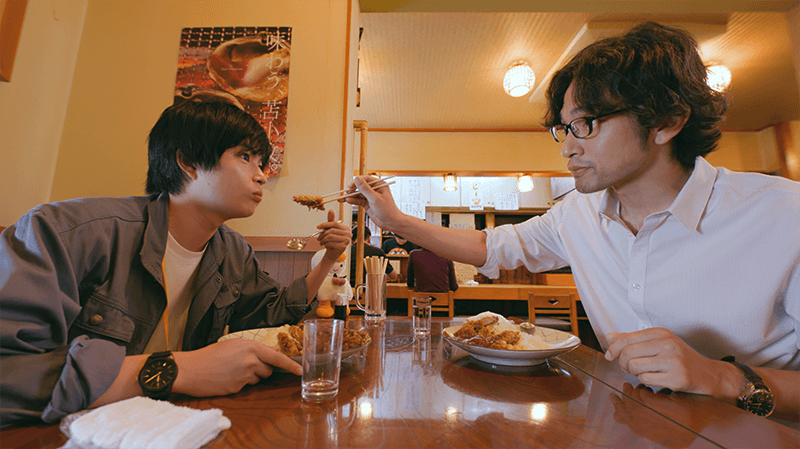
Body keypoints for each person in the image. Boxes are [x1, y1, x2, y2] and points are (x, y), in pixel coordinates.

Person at [345, 22, 799, 421]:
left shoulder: (783, 214)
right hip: (624, 425)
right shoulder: (578, 213)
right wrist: (395, 219)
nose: (567, 148)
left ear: (666, 121)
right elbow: (491, 247)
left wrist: (724, 378)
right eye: (564, 128)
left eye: (587, 123)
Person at [0, 100, 351, 426]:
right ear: (188, 161)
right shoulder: (67, 232)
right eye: (245, 157)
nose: (261, 175)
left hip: (168, 425)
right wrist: (174, 370)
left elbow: (271, 314)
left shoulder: (232, 250)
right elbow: (10, 371)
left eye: (261, 163)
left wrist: (327, 260)